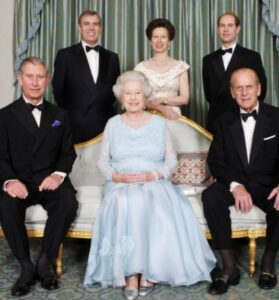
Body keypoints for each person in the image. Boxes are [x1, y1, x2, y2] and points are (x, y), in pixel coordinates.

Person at [84, 71, 216, 300]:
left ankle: (149, 271)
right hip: (121, 182)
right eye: (128, 94)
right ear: (121, 98)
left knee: (152, 201)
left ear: (145, 96)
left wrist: (153, 174)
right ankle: (131, 273)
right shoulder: (113, 124)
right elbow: (102, 162)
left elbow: (171, 161)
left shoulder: (158, 123)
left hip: (154, 180)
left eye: (137, 93)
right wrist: (118, 177)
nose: (133, 98)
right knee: (128, 200)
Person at [0, 57, 78, 297]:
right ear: (20, 79)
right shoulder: (4, 115)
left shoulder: (60, 115)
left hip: (49, 180)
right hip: (19, 180)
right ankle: (25, 265)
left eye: (40, 76)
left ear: (48, 80)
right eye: (30, 76)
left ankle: (45, 259)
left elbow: (68, 153)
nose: (35, 82)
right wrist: (10, 181)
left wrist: (58, 175)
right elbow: (0, 157)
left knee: (68, 202)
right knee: (5, 205)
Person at [202, 68, 279, 295]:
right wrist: (235, 185)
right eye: (239, 88)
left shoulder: (277, 117)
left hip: (267, 184)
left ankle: (267, 263)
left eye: (249, 87)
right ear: (232, 92)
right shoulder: (222, 120)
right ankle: (229, 267)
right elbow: (216, 161)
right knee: (211, 195)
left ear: (259, 89)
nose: (244, 92)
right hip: (236, 182)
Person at [52, 10, 120, 143]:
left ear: (101, 28)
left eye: (95, 24)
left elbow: (115, 91)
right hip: (75, 125)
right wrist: (75, 114)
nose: (91, 28)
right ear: (79, 27)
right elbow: (58, 90)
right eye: (87, 24)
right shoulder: (65, 55)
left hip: (105, 125)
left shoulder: (113, 57)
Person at [202, 12, 267, 134]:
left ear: (238, 29)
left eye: (230, 25)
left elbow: (261, 90)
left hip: (243, 118)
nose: (225, 29)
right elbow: (208, 94)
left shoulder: (252, 57)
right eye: (222, 25)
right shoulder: (207, 60)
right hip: (216, 121)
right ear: (218, 29)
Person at [134, 18, 189, 120]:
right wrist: (160, 108)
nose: (159, 40)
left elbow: (184, 98)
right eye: (155, 37)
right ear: (151, 40)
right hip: (148, 117)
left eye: (163, 37)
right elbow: (137, 99)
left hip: (173, 116)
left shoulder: (180, 66)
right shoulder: (140, 68)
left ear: (169, 40)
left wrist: (162, 100)